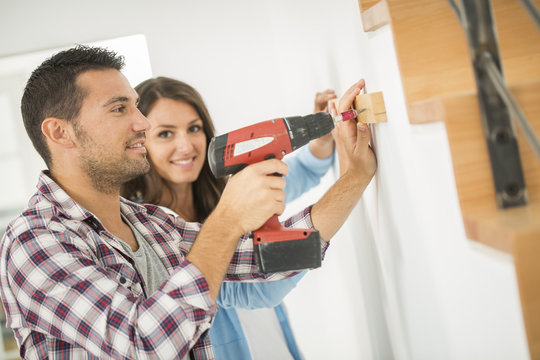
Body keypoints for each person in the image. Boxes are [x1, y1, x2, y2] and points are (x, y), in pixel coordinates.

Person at [0, 45, 376, 359]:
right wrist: (228, 219)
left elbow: (268, 262)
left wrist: (354, 177)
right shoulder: (33, 241)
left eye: (136, 106)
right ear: (59, 132)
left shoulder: (151, 223)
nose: (142, 123)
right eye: (119, 109)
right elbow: (144, 344)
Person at [120, 77, 337, 359]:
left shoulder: (229, 193)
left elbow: (304, 171)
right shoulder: (141, 233)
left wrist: (320, 136)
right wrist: (356, 177)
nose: (186, 146)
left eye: (194, 128)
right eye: (165, 134)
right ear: (141, 141)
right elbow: (259, 292)